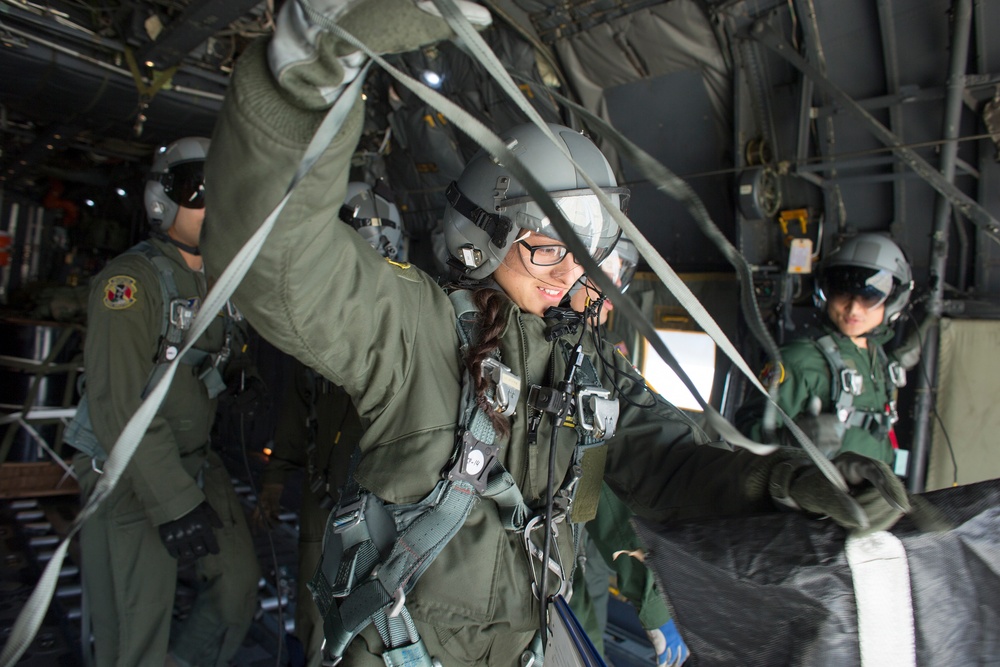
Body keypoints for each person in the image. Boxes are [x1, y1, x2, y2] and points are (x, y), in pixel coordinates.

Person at [200, 3, 910, 663]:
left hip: (531, 640)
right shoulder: (414, 327)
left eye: (585, 255)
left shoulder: (581, 362)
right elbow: (278, 266)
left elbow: (672, 465)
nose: (567, 272)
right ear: (485, 230)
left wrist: (787, 481)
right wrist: (307, 71)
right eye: (546, 245)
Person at [67, 137, 260, 666]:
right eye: (199, 190)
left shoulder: (218, 281)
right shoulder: (130, 284)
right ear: (162, 201)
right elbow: (115, 404)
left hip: (194, 458)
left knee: (237, 589)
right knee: (135, 630)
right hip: (126, 466)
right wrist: (173, 502)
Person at [253, 181, 403, 667]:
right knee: (315, 612)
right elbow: (298, 407)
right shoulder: (312, 321)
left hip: (385, 496)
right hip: (325, 498)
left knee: (379, 618)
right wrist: (277, 478)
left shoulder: (413, 316)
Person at [566, 237, 689, 666]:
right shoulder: (568, 356)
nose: (609, 292)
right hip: (565, 539)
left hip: (587, 548)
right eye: (598, 275)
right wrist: (653, 601)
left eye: (615, 278)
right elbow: (595, 472)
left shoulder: (603, 351)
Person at [737, 233, 915, 466]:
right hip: (820, 497)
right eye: (843, 291)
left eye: (870, 297)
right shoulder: (799, 360)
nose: (853, 308)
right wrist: (789, 440)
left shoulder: (876, 358)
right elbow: (744, 436)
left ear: (894, 301)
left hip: (875, 497)